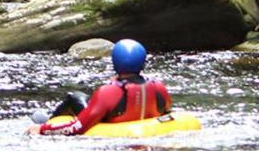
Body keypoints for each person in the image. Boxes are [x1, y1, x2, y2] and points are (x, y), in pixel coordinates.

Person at [27, 39, 171, 136]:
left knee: (75, 97)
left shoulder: (108, 92)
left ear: (115, 63)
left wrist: (42, 129)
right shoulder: (159, 87)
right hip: (144, 129)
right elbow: (168, 115)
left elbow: (78, 127)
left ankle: (47, 121)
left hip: (109, 127)